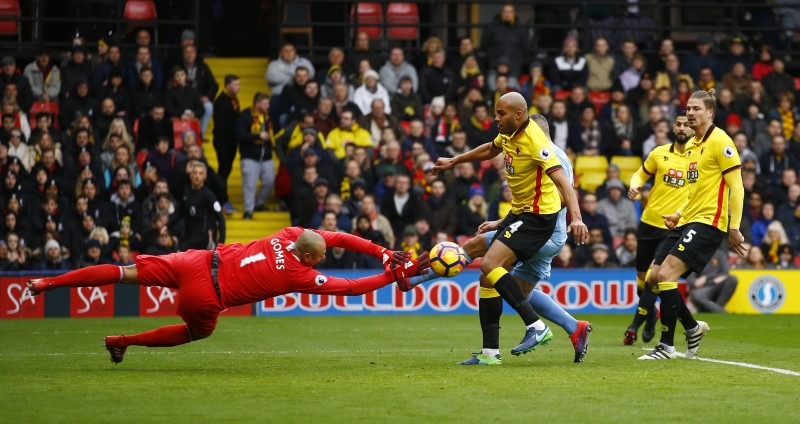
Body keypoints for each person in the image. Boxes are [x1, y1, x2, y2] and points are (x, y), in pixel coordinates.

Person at [26, 228, 429, 363]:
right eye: (321, 257)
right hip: (206, 295)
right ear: (309, 257)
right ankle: (122, 342)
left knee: (123, 273)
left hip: (196, 260)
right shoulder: (299, 274)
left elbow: (336, 236)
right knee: (197, 333)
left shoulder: (289, 235)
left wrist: (380, 252)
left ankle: (49, 283)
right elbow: (355, 288)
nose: (324, 259)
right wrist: (399, 272)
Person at [408, 114, 591, 364]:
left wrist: (576, 218)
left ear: (535, 131)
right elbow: (529, 193)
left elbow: (558, 196)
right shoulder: (532, 147)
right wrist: (505, 221)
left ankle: (416, 278)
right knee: (515, 289)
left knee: (481, 256)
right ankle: (573, 327)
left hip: (542, 232)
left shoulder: (548, 153)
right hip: (546, 233)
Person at [640, 89, 747, 360]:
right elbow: (694, 191)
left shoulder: (721, 141)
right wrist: (678, 213)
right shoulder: (691, 146)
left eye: (696, 109)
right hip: (687, 219)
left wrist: (734, 227)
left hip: (709, 221)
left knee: (666, 277)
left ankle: (666, 346)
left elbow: (738, 187)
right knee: (653, 279)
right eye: (688, 108)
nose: (690, 113)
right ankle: (692, 326)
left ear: (710, 112)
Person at [623, 112, 694, 345]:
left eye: (686, 124)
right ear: (673, 127)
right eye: (679, 124)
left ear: (693, 129)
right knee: (643, 281)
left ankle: (634, 326)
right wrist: (635, 186)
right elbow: (640, 174)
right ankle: (651, 315)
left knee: (656, 277)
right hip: (648, 222)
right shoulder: (659, 153)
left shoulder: (699, 160)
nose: (682, 127)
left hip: (673, 226)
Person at [168, 162, 225, 251]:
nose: (197, 176)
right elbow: (180, 213)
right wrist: (167, 226)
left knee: (179, 253)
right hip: (188, 236)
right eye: (195, 173)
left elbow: (220, 218)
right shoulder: (186, 192)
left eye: (200, 173)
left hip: (202, 240)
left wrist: (221, 241)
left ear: (205, 177)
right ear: (190, 175)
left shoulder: (208, 196)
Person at [236, 92, 275, 220]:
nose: (268, 106)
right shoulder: (246, 115)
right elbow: (239, 135)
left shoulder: (269, 117)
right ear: (257, 104)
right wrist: (258, 136)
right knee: (250, 184)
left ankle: (259, 203)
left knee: (270, 181)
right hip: (249, 156)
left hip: (267, 157)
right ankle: (248, 211)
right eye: (265, 104)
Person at [213, 74, 241, 214]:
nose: (238, 87)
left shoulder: (233, 99)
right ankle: (222, 201)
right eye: (235, 85)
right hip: (224, 142)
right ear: (227, 85)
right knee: (223, 172)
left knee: (226, 171)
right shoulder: (221, 101)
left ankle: (222, 199)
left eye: (238, 84)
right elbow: (222, 125)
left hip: (231, 142)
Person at [686, 243, 738, 313]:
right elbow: (691, 280)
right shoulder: (695, 256)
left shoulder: (720, 254)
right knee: (696, 295)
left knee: (732, 279)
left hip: (716, 286)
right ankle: (722, 312)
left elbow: (725, 274)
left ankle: (717, 310)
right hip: (702, 289)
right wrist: (696, 282)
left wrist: (707, 278)